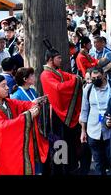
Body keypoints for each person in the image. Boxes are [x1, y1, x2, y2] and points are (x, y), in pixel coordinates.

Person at [0, 69, 48, 175]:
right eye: (3, 86)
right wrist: (28, 115)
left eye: (6, 84)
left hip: (14, 146)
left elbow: (23, 105)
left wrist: (34, 104)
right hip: (2, 150)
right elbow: (2, 128)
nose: (7, 88)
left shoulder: (7, 101)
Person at [40, 44, 84, 175]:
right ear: (50, 59)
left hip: (61, 111)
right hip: (54, 114)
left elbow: (69, 76)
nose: (61, 60)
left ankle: (68, 168)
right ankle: (58, 171)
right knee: (58, 142)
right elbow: (58, 88)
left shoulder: (56, 72)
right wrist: (76, 81)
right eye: (58, 58)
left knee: (67, 140)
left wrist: (76, 78)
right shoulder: (45, 74)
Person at [80, 66, 111, 175]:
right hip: (93, 131)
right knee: (98, 163)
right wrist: (83, 130)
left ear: (104, 75)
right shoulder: (88, 89)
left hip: (110, 132)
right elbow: (84, 110)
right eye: (93, 78)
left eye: (98, 77)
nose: (96, 80)